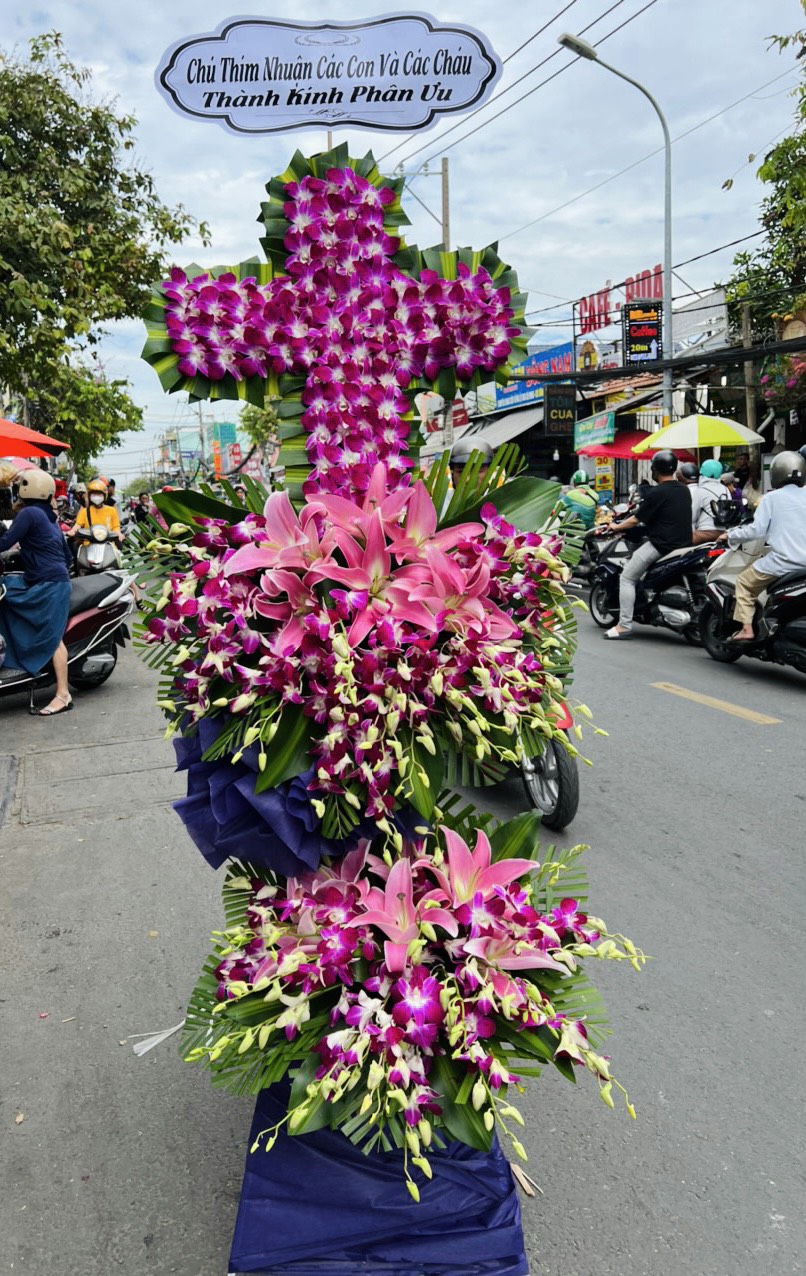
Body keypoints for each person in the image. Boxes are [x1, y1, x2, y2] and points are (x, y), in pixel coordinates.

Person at [0, 469, 73, 714]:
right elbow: (67, 556)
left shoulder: (29, 513)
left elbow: (5, 542)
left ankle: (63, 695)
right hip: (51, 581)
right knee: (5, 593)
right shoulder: (50, 518)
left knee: (53, 639)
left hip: (48, 585)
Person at [717, 450, 806, 642]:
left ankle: (746, 629)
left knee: (744, 583)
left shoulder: (771, 498)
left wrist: (730, 535)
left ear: (776, 473)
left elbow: (756, 530)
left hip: (783, 562)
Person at [603, 449, 692, 640]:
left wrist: (616, 527)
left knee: (627, 578)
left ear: (654, 469)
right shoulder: (684, 490)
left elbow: (635, 520)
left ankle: (624, 625)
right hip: (685, 544)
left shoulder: (657, 492)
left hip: (662, 546)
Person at [677, 458, 724, 544]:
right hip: (724, 531)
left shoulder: (701, 490)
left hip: (706, 532)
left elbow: (691, 517)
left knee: (680, 542)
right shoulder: (725, 489)